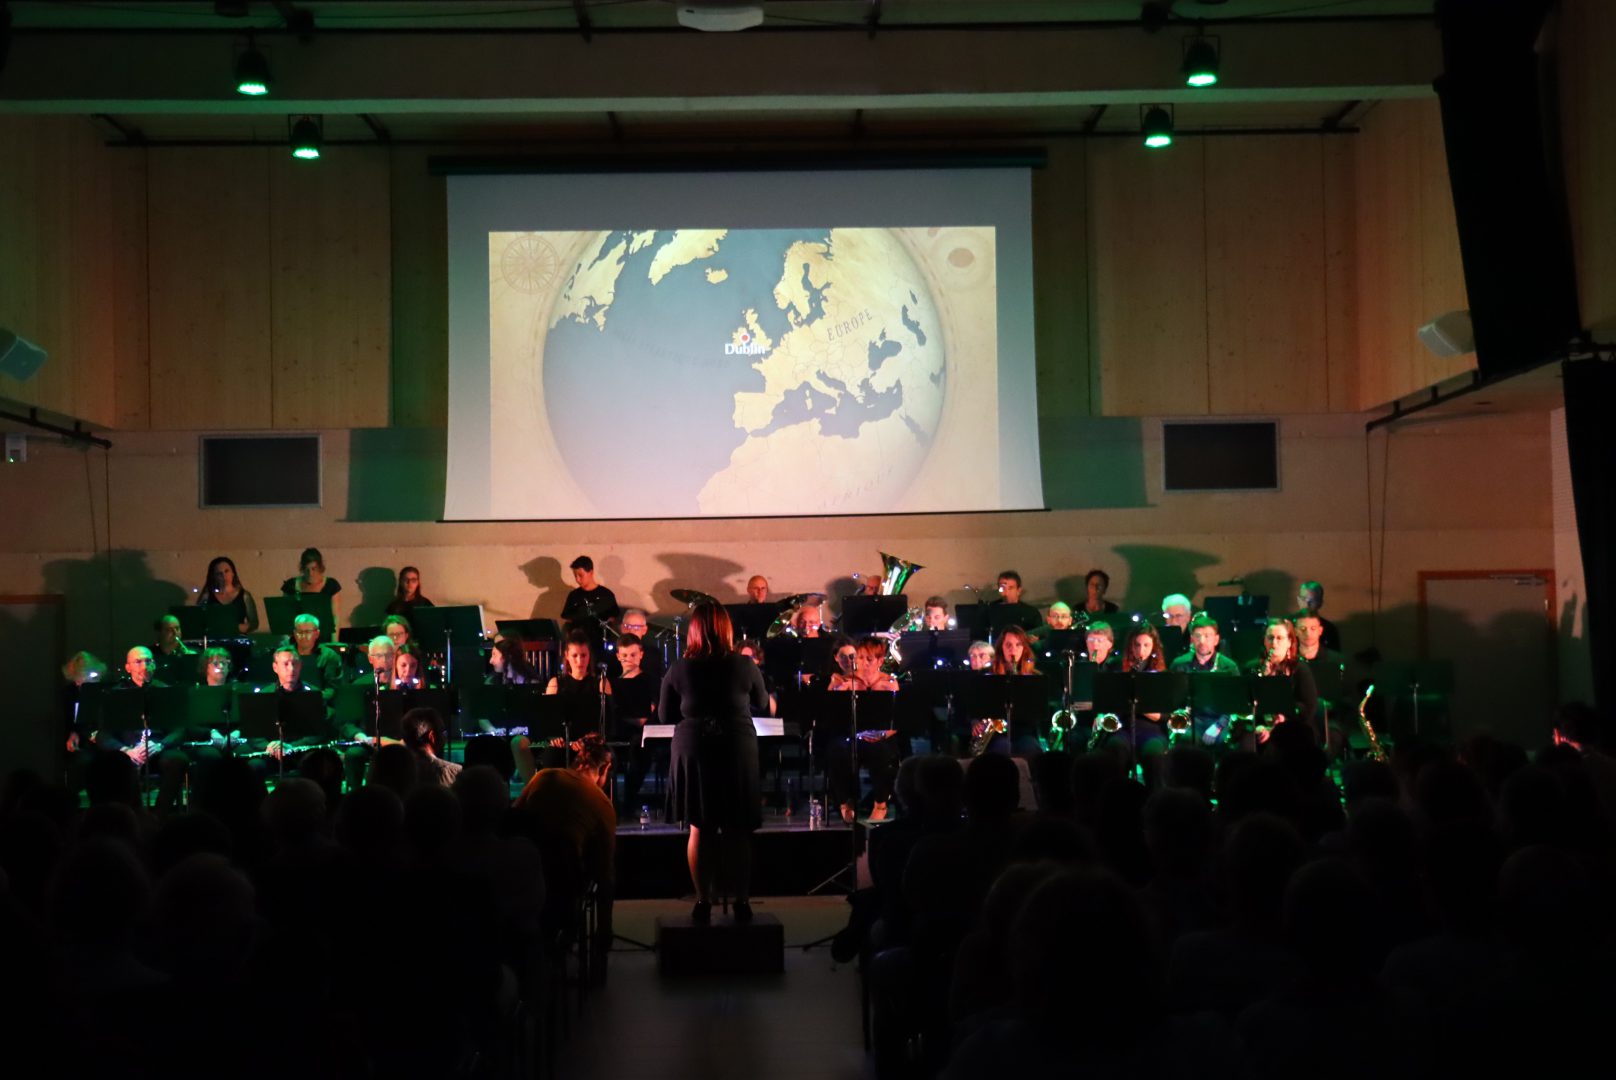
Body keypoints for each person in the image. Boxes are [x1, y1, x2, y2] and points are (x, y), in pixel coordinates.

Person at [658, 602, 770, 922]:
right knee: (738, 828)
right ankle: (742, 901)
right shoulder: (744, 665)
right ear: (727, 629)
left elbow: (665, 715)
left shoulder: (679, 668)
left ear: (693, 631)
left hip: (694, 748)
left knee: (699, 827)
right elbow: (762, 702)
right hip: (736, 747)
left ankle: (703, 900)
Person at [513, 732, 617, 973]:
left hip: (521, 878)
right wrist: (605, 932)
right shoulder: (603, 805)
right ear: (606, 768)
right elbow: (605, 875)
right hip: (562, 890)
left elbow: (514, 819)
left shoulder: (543, 777)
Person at [827, 636, 902, 822]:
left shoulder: (889, 683)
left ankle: (880, 803)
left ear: (880, 661)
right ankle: (846, 802)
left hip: (881, 737)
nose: (864, 663)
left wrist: (882, 734)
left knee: (880, 752)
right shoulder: (845, 680)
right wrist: (837, 689)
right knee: (837, 750)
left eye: (869, 659)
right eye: (860, 658)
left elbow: (898, 720)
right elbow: (830, 714)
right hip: (852, 736)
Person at [1102, 623, 1169, 783]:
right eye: (1137, 645)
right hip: (1123, 727)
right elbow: (1107, 701)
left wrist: (1139, 706)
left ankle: (1155, 795)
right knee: (1115, 749)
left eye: (1146, 645)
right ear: (1130, 646)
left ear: (1154, 647)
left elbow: (1165, 715)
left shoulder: (1161, 673)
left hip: (1151, 730)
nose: (1141, 651)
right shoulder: (1116, 667)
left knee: (1154, 755)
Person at [1242, 617, 1320, 747]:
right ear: (1264, 641)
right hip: (1261, 727)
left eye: (1279, 638)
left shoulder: (1299, 669)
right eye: (1270, 638)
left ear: (1289, 642)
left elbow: (1309, 707)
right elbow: (1246, 705)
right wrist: (1260, 726)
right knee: (1247, 742)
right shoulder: (1252, 668)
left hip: (1295, 726)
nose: (1274, 643)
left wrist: (1284, 718)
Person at [1169, 613, 1241, 745]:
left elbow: (1235, 703)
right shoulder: (1179, 664)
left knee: (1220, 743)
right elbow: (1172, 699)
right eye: (1197, 636)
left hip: (1219, 721)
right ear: (1192, 639)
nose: (1202, 641)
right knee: (1185, 742)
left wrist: (1219, 726)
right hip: (1191, 720)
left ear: (1216, 639)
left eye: (1207, 636)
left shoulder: (1229, 667)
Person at [611, 632, 661, 809]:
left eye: (633, 655)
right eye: (624, 655)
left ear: (641, 654)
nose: (629, 659)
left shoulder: (650, 681)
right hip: (619, 731)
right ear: (618, 656)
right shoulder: (612, 683)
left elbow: (651, 711)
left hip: (644, 733)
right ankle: (613, 802)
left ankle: (629, 801)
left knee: (639, 749)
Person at [1295, 611, 1349, 756]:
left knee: (1332, 739)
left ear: (1320, 630)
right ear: (1295, 631)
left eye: (1313, 628)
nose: (1308, 633)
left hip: (1330, 718)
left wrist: (1333, 705)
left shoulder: (1336, 660)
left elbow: (1347, 696)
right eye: (1303, 629)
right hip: (1299, 718)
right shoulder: (1290, 661)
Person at [281, 547, 343, 627]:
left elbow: (335, 617)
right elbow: (285, 615)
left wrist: (334, 635)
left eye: (314, 569)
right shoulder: (291, 585)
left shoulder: (331, 585)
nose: (310, 573)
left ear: (320, 567)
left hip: (324, 632)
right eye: (307, 569)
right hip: (299, 632)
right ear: (302, 568)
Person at [197, 555, 258, 633]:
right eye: (219, 573)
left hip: (237, 638)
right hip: (215, 638)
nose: (224, 576)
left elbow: (254, 623)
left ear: (233, 573)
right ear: (214, 576)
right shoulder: (207, 596)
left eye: (226, 571)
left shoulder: (244, 596)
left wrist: (235, 628)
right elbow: (198, 620)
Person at [402, 706, 460, 787]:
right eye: (443, 732)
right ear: (431, 736)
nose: (444, 736)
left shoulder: (395, 773)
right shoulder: (454, 772)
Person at [290, 613, 343, 698]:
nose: (303, 636)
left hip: (319, 701)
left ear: (317, 634)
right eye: (300, 632)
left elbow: (332, 689)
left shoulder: (329, 656)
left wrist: (311, 698)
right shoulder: (284, 654)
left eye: (308, 632)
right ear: (294, 633)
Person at [562, 554, 620, 627]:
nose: (577, 579)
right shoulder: (573, 595)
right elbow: (568, 619)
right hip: (579, 633)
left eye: (581, 575)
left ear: (591, 573)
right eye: (575, 576)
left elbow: (613, 618)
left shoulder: (606, 595)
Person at [1295, 581, 1342, 652]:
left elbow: (1334, 656)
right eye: (1304, 599)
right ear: (1298, 600)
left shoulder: (1329, 629)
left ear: (1320, 603)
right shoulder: (1287, 625)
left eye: (1312, 600)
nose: (1307, 604)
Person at [151, 614, 198, 686]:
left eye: (177, 628)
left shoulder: (189, 654)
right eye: (169, 630)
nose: (175, 633)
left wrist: (191, 660)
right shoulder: (150, 655)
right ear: (160, 633)